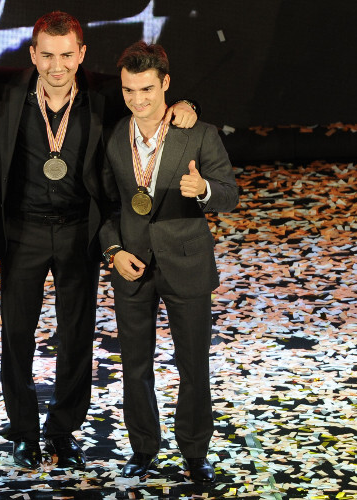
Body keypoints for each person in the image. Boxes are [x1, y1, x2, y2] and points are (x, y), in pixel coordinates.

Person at [0, 12, 197, 470]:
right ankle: (24, 432)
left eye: (67, 55)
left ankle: (63, 429)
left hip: (80, 231)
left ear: (82, 55)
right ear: (32, 54)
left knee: (76, 335)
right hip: (21, 229)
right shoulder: (3, 86)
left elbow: (153, 97)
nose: (57, 65)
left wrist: (190, 106)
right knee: (17, 335)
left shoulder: (108, 92)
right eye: (47, 55)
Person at [99, 41, 238, 482]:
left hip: (187, 262)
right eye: (129, 91)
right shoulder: (114, 135)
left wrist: (205, 192)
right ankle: (143, 448)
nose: (138, 101)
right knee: (135, 365)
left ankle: (195, 452)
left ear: (166, 85)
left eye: (147, 90)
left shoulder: (199, 133)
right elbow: (103, 205)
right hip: (132, 266)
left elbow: (230, 194)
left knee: (193, 364)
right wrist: (113, 252)